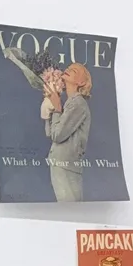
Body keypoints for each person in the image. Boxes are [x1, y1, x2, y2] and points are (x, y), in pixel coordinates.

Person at [41, 62, 93, 202]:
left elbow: (57, 135)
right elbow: (50, 133)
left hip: (66, 166)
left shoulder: (78, 104)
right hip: (60, 165)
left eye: (74, 71)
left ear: (81, 82)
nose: (68, 69)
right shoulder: (71, 103)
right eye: (69, 68)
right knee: (68, 207)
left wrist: (58, 108)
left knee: (70, 207)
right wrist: (49, 109)